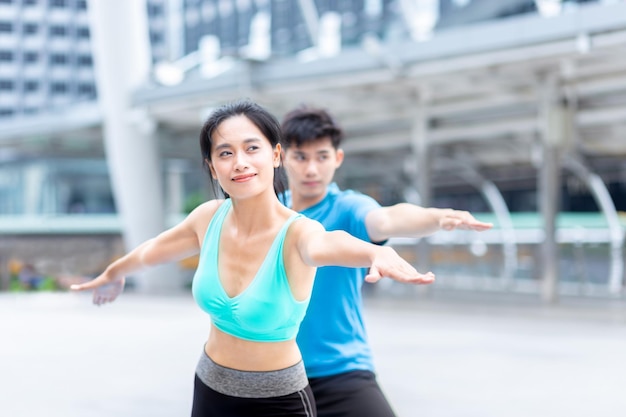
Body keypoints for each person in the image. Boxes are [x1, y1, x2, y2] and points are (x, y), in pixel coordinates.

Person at [70, 99, 435, 417]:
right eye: (225, 153)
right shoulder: (208, 218)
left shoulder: (298, 233)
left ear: (275, 155)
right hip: (210, 387)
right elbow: (154, 250)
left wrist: (375, 252)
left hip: (279, 401)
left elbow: (331, 244)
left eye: (252, 148)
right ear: (213, 167)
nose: (239, 162)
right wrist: (115, 272)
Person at [280, 105, 493, 417]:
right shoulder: (271, 214)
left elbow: (388, 218)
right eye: (300, 157)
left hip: (341, 370)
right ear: (282, 157)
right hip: (277, 373)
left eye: (322, 156)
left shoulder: (349, 208)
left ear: (337, 159)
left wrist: (436, 217)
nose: (311, 169)